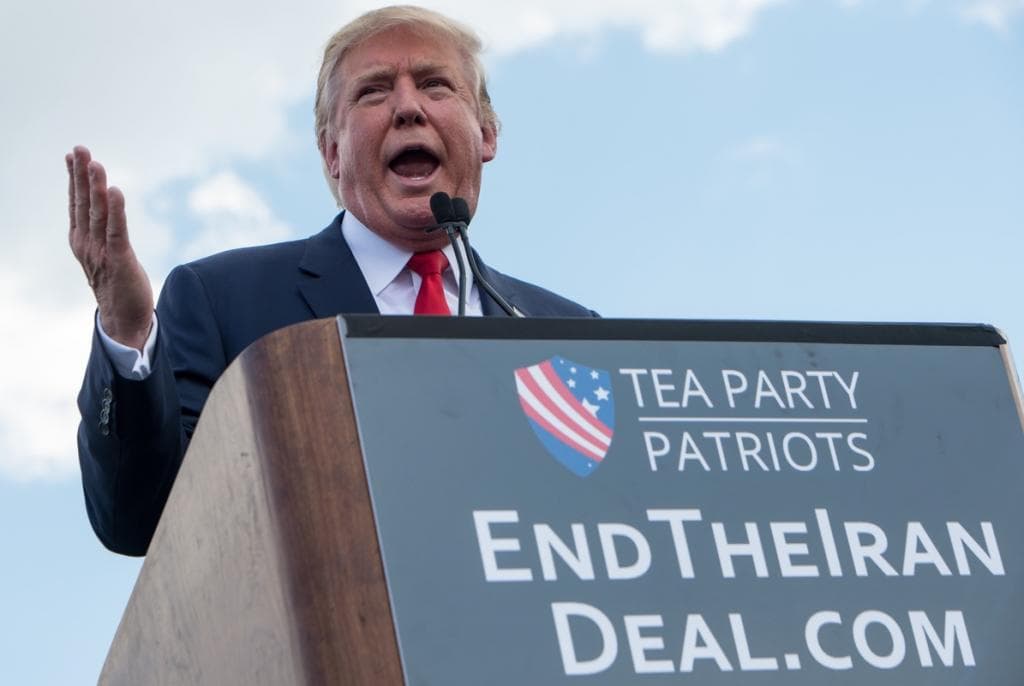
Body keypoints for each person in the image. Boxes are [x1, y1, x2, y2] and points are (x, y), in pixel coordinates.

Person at [69, 6, 597, 556]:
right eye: (373, 92)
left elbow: (615, 509)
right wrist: (127, 330)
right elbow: (141, 519)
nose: (408, 107)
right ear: (332, 153)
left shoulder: (569, 331)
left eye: (435, 84)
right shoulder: (222, 301)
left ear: (486, 135)